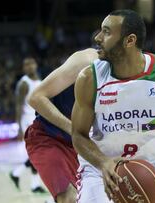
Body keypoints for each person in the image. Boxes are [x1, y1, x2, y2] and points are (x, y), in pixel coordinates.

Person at [71, 9, 155, 203]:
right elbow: (78, 135)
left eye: (107, 32)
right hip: (101, 167)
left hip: (151, 166)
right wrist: (103, 162)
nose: (98, 37)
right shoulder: (89, 78)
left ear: (130, 41)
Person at [26, 48, 98, 202]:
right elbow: (35, 98)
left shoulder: (127, 79)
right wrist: (74, 129)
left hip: (79, 145)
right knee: (69, 197)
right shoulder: (87, 61)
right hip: (49, 135)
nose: (100, 38)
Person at [9, 57, 46, 194]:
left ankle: (31, 183)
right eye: (26, 65)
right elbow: (18, 106)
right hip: (27, 122)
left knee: (36, 153)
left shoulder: (40, 80)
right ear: (23, 68)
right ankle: (19, 174)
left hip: (38, 120)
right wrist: (18, 127)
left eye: (31, 63)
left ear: (36, 64)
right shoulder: (23, 83)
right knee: (38, 153)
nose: (29, 67)